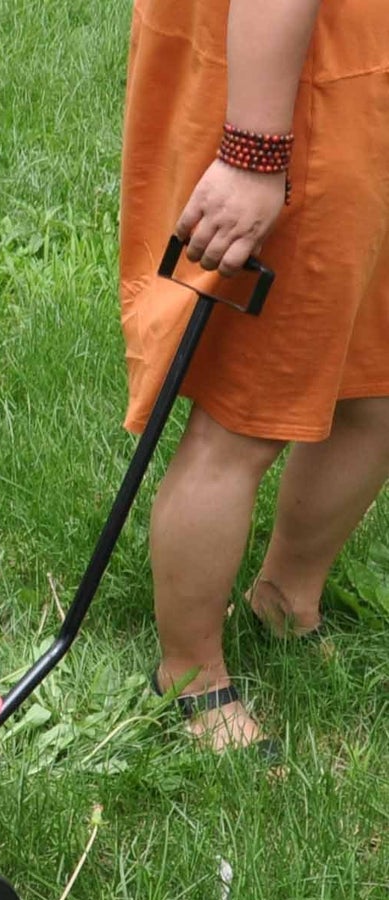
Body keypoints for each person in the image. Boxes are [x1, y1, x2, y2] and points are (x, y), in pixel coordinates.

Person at [121, 0, 389, 752]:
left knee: (372, 385)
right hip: (293, 89)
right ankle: (190, 673)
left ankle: (284, 599)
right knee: (243, 419)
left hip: (360, 76)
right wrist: (252, 152)